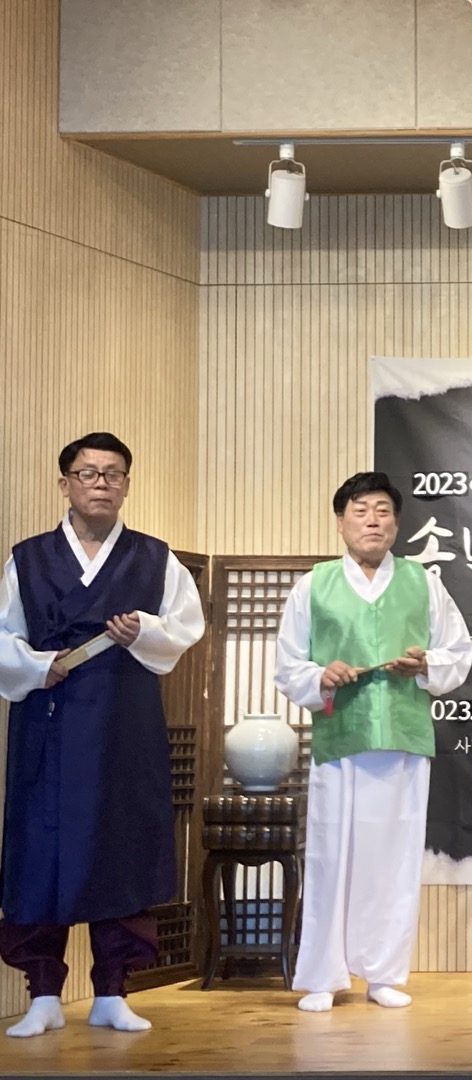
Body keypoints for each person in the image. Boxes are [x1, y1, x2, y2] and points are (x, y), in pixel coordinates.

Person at [0, 432, 205, 1038]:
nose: (101, 484)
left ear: (126, 485)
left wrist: (145, 632)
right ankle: (43, 992)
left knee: (122, 845)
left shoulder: (154, 558)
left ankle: (113, 990)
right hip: (49, 721)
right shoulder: (28, 559)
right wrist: (38, 665)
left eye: (113, 474)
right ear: (65, 483)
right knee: (41, 850)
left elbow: (186, 627)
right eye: (87, 473)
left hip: (125, 723)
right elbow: (4, 634)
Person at [274, 472, 472, 1013]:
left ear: (397, 523)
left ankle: (383, 974)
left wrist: (425, 663)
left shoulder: (422, 581)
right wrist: (321, 675)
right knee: (331, 857)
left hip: (403, 738)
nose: (373, 521)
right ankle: (323, 976)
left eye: (383, 511)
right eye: (360, 511)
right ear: (340, 522)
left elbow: (457, 651)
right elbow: (288, 664)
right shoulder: (314, 584)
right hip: (341, 737)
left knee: (394, 861)